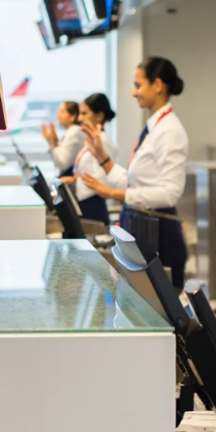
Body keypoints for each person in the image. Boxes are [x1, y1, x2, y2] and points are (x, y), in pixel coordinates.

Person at [82, 57, 189, 287]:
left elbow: (169, 194)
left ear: (157, 85)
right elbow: (135, 183)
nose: (133, 93)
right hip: (142, 231)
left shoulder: (170, 131)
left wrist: (113, 194)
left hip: (159, 237)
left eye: (138, 85)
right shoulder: (154, 127)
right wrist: (102, 157)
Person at [58, 93, 116, 225]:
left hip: (93, 204)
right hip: (84, 202)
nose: (79, 118)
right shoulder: (90, 140)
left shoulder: (103, 141)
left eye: (84, 114)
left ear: (99, 116)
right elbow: (91, 172)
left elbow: (104, 177)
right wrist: (74, 179)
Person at [41, 101, 83, 176]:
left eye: (62, 112)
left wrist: (51, 143)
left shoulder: (74, 133)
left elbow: (62, 165)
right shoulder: (71, 132)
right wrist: (55, 141)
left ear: (72, 116)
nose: (57, 116)